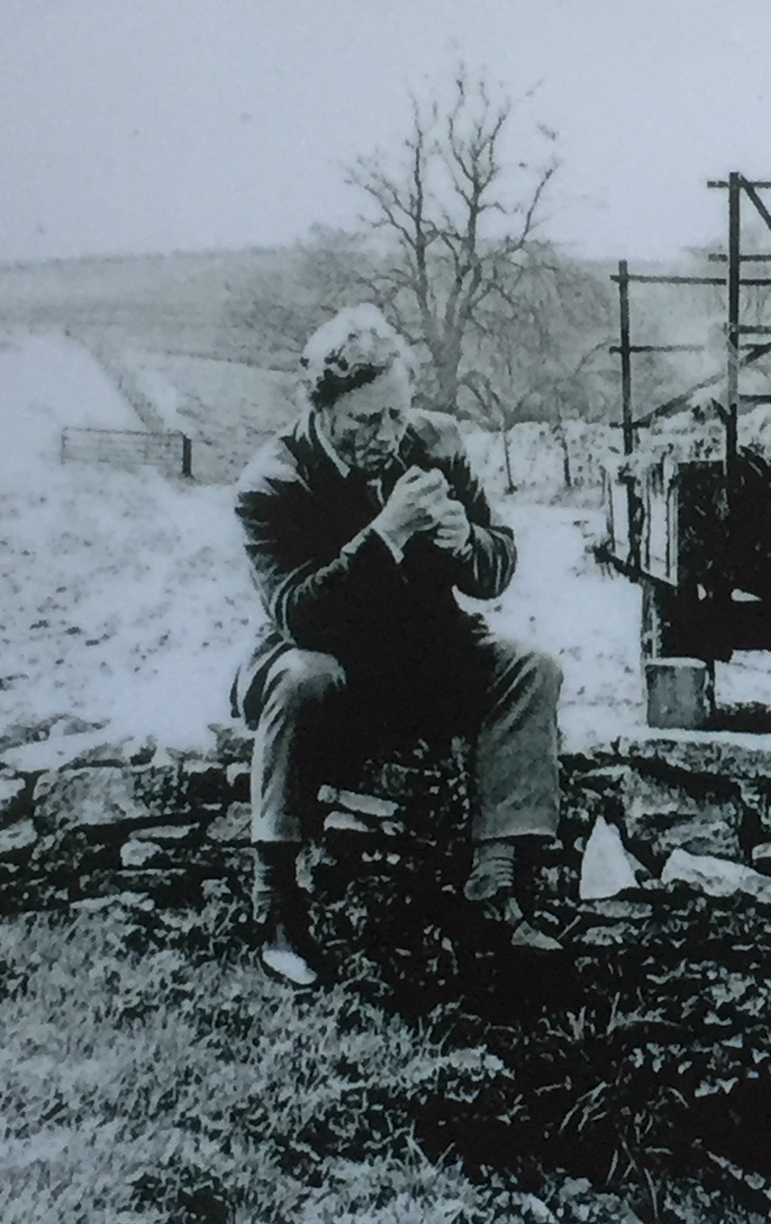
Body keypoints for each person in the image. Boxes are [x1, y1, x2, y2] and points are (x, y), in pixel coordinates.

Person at [230, 304, 564, 986]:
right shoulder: (273, 483)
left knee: (531, 670)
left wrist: (465, 541)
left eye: (395, 415)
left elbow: (498, 565)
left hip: (420, 657)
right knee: (298, 679)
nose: (386, 436)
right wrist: (385, 536)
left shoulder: (433, 440)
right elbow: (300, 614)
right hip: (331, 666)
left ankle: (492, 891)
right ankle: (276, 907)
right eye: (365, 421)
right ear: (323, 410)